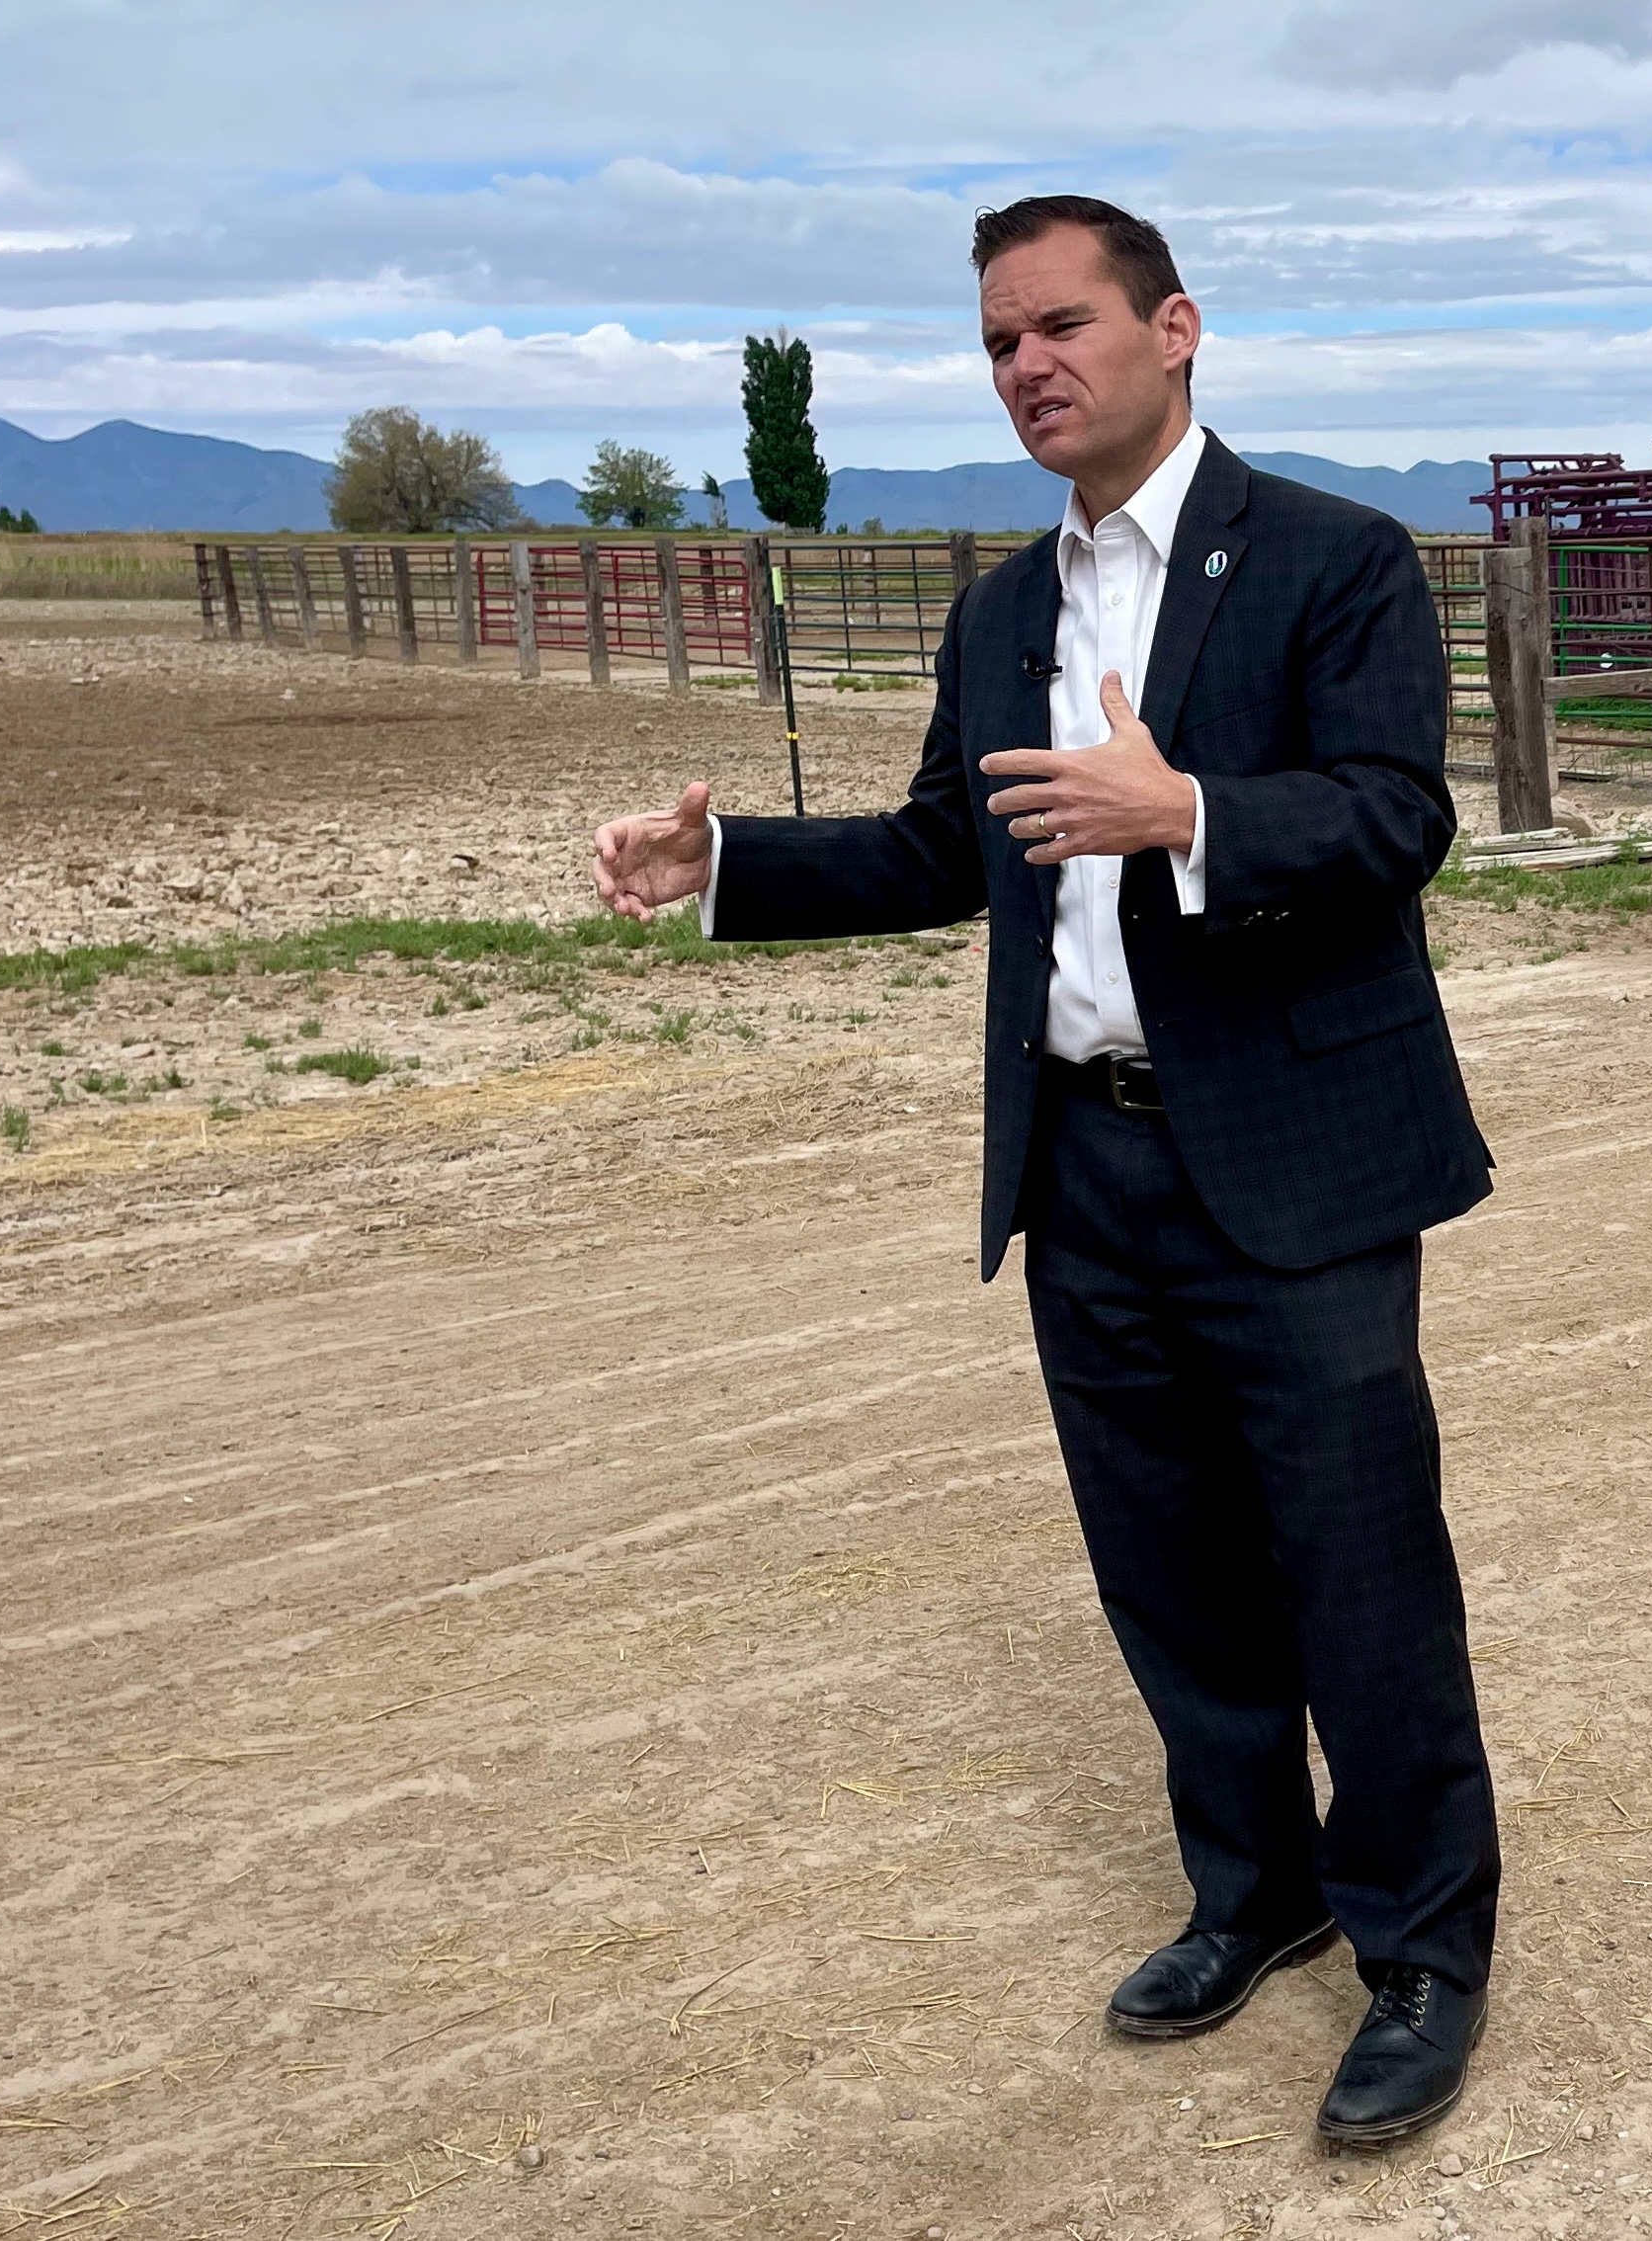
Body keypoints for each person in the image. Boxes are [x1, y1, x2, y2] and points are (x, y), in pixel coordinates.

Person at [589, 194, 1501, 2145]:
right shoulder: (1004, 609)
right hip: (1083, 1163)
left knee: (1358, 1574)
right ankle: (1253, 1894)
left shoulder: (1336, 560)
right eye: (999, 342)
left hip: (1299, 1165)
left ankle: (1421, 1949)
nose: (1027, 367)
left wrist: (1192, 812)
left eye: (1061, 325)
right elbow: (949, 846)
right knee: (1169, 1569)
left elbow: (1397, 817)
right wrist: (727, 863)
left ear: (1176, 328)